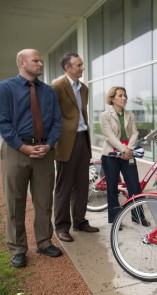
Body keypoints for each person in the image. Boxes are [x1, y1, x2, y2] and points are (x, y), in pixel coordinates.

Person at [0, 49, 63, 267]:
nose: (40, 63)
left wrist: (49, 144)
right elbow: (3, 122)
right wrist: (22, 146)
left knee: (44, 200)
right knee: (15, 201)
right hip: (16, 151)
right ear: (21, 63)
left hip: (45, 151)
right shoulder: (5, 88)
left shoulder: (49, 91)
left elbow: (57, 121)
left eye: (41, 60)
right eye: (36, 60)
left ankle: (44, 242)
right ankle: (18, 249)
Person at [52, 53, 99, 243]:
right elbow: (52, 116)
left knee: (81, 185)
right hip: (65, 142)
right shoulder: (56, 87)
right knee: (64, 187)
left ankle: (79, 221)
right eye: (78, 65)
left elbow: (81, 114)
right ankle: (62, 227)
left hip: (82, 140)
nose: (82, 68)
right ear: (67, 67)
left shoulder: (84, 88)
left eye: (82, 64)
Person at [100, 86, 148, 226]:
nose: (124, 98)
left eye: (125, 95)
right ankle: (115, 220)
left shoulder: (130, 115)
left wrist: (129, 149)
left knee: (134, 186)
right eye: (120, 95)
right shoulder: (105, 115)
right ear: (112, 98)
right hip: (111, 156)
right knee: (112, 188)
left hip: (128, 154)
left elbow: (134, 133)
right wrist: (124, 149)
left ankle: (138, 217)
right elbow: (109, 136)